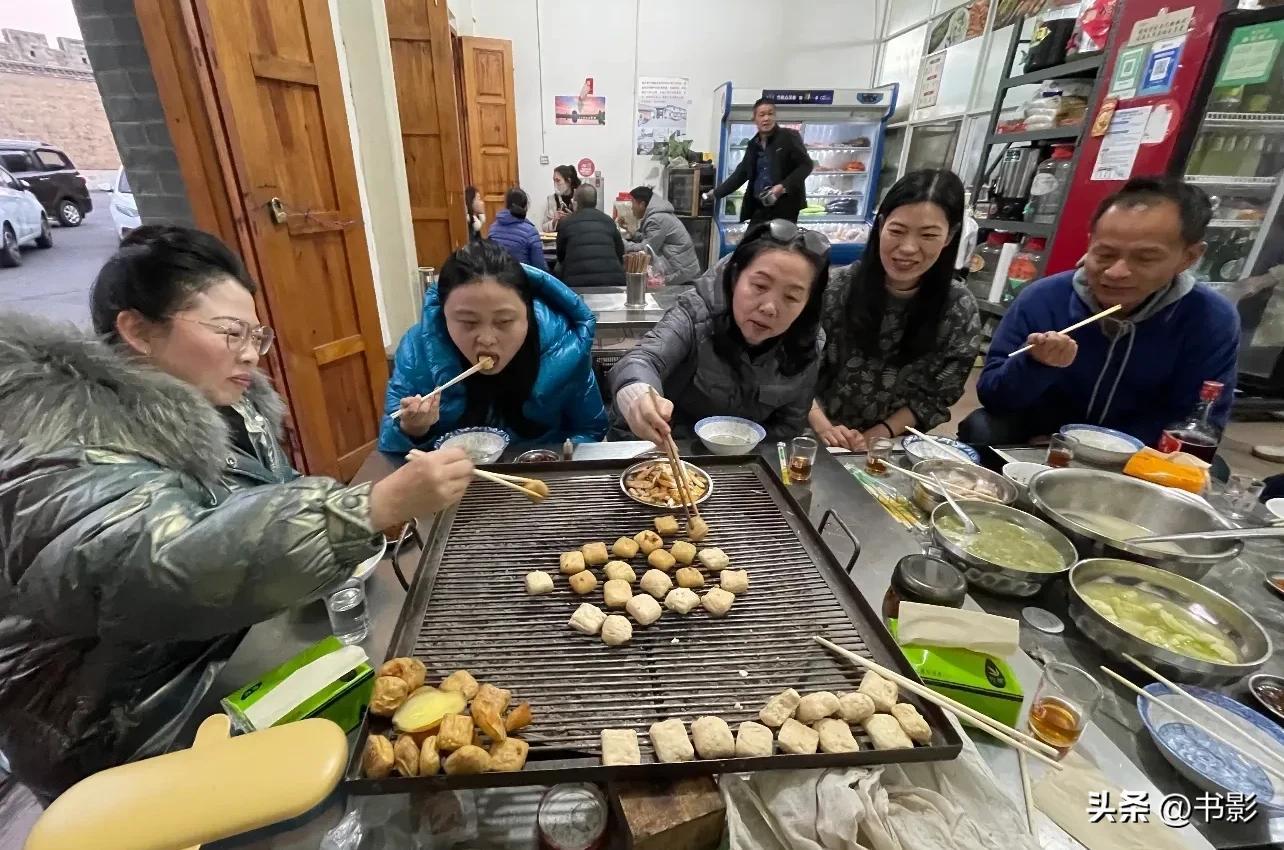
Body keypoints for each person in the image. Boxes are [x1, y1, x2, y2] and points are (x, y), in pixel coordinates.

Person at [0, 225, 474, 802]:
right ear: (137, 331)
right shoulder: (58, 443)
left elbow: (267, 501)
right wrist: (368, 507)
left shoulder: (228, 404)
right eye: (230, 332)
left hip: (228, 665)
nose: (250, 352)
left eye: (256, 335)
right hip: (115, 735)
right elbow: (159, 564)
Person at [960, 176, 1239, 447]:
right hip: (1039, 436)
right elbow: (993, 395)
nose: (1116, 272)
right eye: (1105, 254)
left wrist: (1093, 448)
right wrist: (1036, 364)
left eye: (1145, 257)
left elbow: (1197, 420)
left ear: (1188, 257)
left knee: (1211, 471)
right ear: (1090, 243)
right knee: (982, 428)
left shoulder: (1209, 318)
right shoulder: (1045, 298)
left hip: (1136, 449)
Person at [608, 219, 830, 443]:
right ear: (735, 278)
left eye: (791, 297)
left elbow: (788, 427)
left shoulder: (807, 344)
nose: (769, 308)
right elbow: (642, 359)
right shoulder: (696, 312)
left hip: (742, 462)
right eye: (760, 286)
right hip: (667, 448)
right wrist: (638, 394)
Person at [380, 240, 607, 452]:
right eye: (468, 322)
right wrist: (412, 430)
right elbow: (390, 445)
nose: (487, 339)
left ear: (528, 314)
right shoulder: (417, 350)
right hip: (453, 483)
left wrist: (557, 458)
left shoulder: (565, 344)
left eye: (504, 321)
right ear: (443, 316)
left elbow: (590, 429)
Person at [810, 170, 981, 451]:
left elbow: (936, 394)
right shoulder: (834, 287)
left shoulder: (959, 308)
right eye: (897, 231)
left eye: (928, 235)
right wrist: (824, 427)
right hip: (816, 429)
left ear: (949, 236)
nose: (908, 248)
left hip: (893, 440)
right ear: (880, 226)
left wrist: (879, 434)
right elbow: (792, 364)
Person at [707, 98, 813, 225]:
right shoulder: (753, 144)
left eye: (770, 114)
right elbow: (741, 174)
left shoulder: (788, 137)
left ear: (775, 116)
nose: (766, 118)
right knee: (750, 242)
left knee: (779, 244)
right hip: (760, 206)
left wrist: (782, 186)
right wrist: (715, 193)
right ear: (755, 119)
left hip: (785, 207)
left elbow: (806, 165)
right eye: (762, 115)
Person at [624, 186, 700, 286]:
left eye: (632, 202)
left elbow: (646, 250)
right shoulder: (658, 215)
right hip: (683, 267)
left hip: (682, 273)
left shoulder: (657, 219)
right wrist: (631, 232)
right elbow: (649, 237)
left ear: (642, 204)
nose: (631, 207)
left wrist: (621, 242)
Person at [556, 184, 625, 288]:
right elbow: (620, 253)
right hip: (613, 282)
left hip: (576, 283)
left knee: (557, 267)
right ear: (595, 202)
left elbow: (560, 256)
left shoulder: (566, 222)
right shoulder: (608, 221)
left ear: (576, 202)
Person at [485, 187, 548, 272]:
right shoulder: (530, 232)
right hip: (521, 281)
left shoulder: (493, 228)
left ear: (506, 205)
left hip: (498, 281)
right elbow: (540, 269)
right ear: (525, 207)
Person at [541, 165, 580, 231]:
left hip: (576, 239)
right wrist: (554, 220)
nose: (555, 184)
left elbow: (587, 225)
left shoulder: (579, 198)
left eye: (558, 181)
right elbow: (544, 228)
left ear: (568, 181)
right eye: (554, 181)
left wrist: (573, 218)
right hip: (556, 240)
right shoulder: (551, 199)